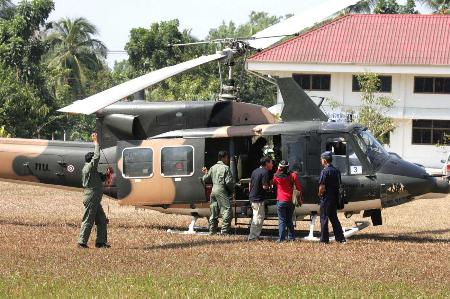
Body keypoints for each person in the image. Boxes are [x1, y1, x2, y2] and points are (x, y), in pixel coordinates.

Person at [78, 133, 110, 248]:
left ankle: (100, 242)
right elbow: (96, 156)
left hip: (94, 198)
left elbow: (98, 178)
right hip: (91, 197)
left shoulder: (91, 170)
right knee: (88, 220)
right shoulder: (89, 167)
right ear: (90, 161)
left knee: (101, 220)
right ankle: (82, 242)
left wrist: (106, 175)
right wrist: (96, 142)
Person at [202, 151, 235, 235]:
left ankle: (212, 231)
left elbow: (205, 179)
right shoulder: (226, 168)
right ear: (223, 158)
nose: (227, 160)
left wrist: (206, 172)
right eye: (227, 158)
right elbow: (228, 182)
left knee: (214, 211)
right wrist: (232, 190)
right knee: (227, 210)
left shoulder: (213, 167)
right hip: (221, 190)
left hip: (213, 191)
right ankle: (224, 231)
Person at [318, 151, 346, 244]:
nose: (321, 161)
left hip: (326, 198)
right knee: (334, 218)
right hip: (334, 198)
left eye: (322, 159)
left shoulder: (325, 171)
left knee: (324, 218)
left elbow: (322, 186)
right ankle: (340, 238)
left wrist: (319, 194)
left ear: (325, 160)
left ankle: (324, 240)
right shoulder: (336, 170)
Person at [273, 160, 303, 242]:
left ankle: (281, 239)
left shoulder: (276, 176)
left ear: (280, 167)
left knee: (282, 220)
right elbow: (299, 188)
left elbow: (274, 182)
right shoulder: (293, 175)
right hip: (290, 200)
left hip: (281, 200)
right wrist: (300, 198)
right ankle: (292, 238)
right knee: (289, 219)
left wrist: (278, 169)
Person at [247, 156, 273, 241]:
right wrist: (270, 187)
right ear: (266, 163)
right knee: (258, 218)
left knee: (256, 216)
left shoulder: (255, 171)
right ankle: (253, 237)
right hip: (258, 199)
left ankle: (253, 235)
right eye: (271, 162)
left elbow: (250, 184)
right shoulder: (265, 172)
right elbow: (265, 186)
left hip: (252, 197)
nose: (272, 164)